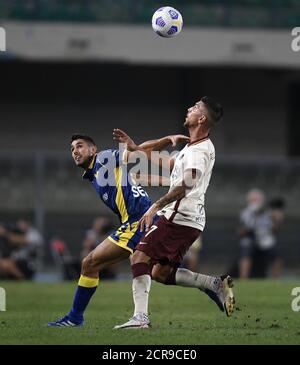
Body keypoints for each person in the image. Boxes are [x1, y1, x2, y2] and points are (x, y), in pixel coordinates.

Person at [113, 96, 235, 329]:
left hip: (178, 217)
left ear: (201, 118)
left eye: (195, 107)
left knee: (139, 257)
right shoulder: (193, 147)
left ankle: (140, 319)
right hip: (189, 219)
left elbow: (187, 183)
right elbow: (171, 167)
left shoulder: (199, 151)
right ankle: (214, 284)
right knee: (160, 273)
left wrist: (156, 205)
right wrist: (136, 148)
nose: (189, 108)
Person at [48, 132, 189, 327]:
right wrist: (166, 181)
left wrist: (166, 140)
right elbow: (137, 175)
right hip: (141, 220)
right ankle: (212, 285)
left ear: (93, 150)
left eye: (79, 146)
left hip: (138, 221)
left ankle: (75, 318)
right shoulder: (96, 173)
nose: (75, 151)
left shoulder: (104, 159)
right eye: (72, 149)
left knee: (89, 263)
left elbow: (140, 151)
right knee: (162, 272)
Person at [238, 189, 284, 279]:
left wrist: (277, 219)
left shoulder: (268, 213)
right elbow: (243, 230)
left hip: (265, 239)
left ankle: (276, 280)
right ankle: (243, 279)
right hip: (251, 239)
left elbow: (275, 229)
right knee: (245, 251)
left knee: (276, 256)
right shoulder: (245, 213)